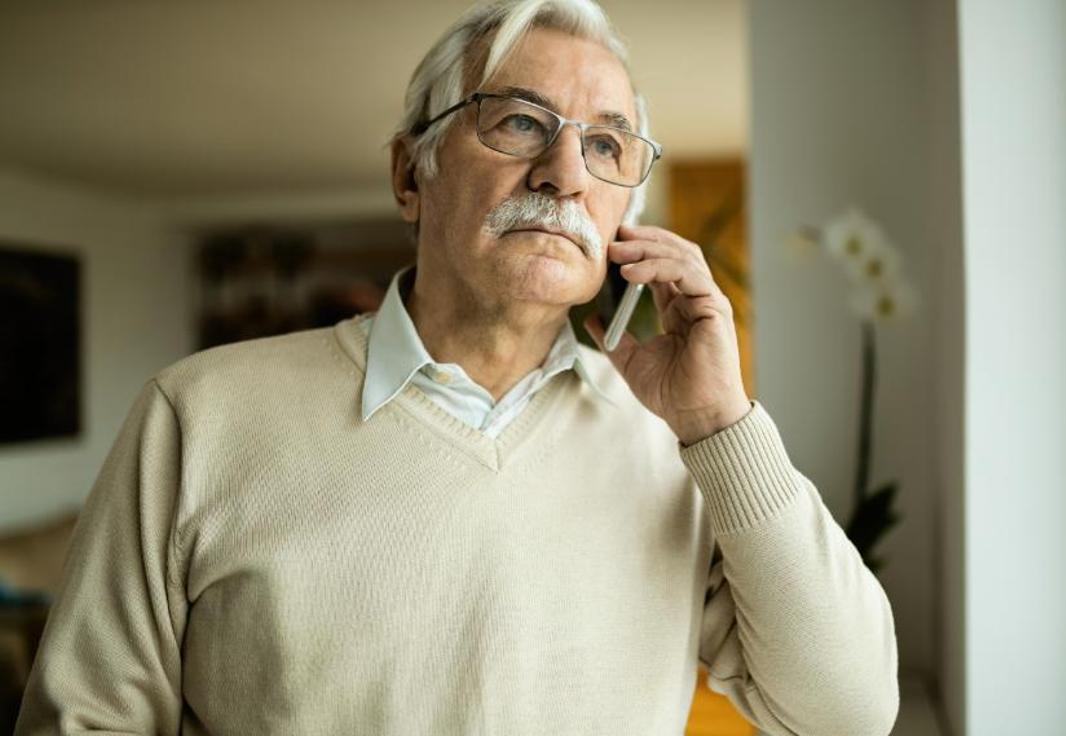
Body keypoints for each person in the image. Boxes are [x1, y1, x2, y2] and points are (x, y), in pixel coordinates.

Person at [15, 1, 899, 734]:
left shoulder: (679, 450)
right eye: (521, 121)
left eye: (606, 145)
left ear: (627, 201)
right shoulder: (198, 414)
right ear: (411, 175)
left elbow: (848, 711)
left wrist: (720, 425)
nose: (564, 174)